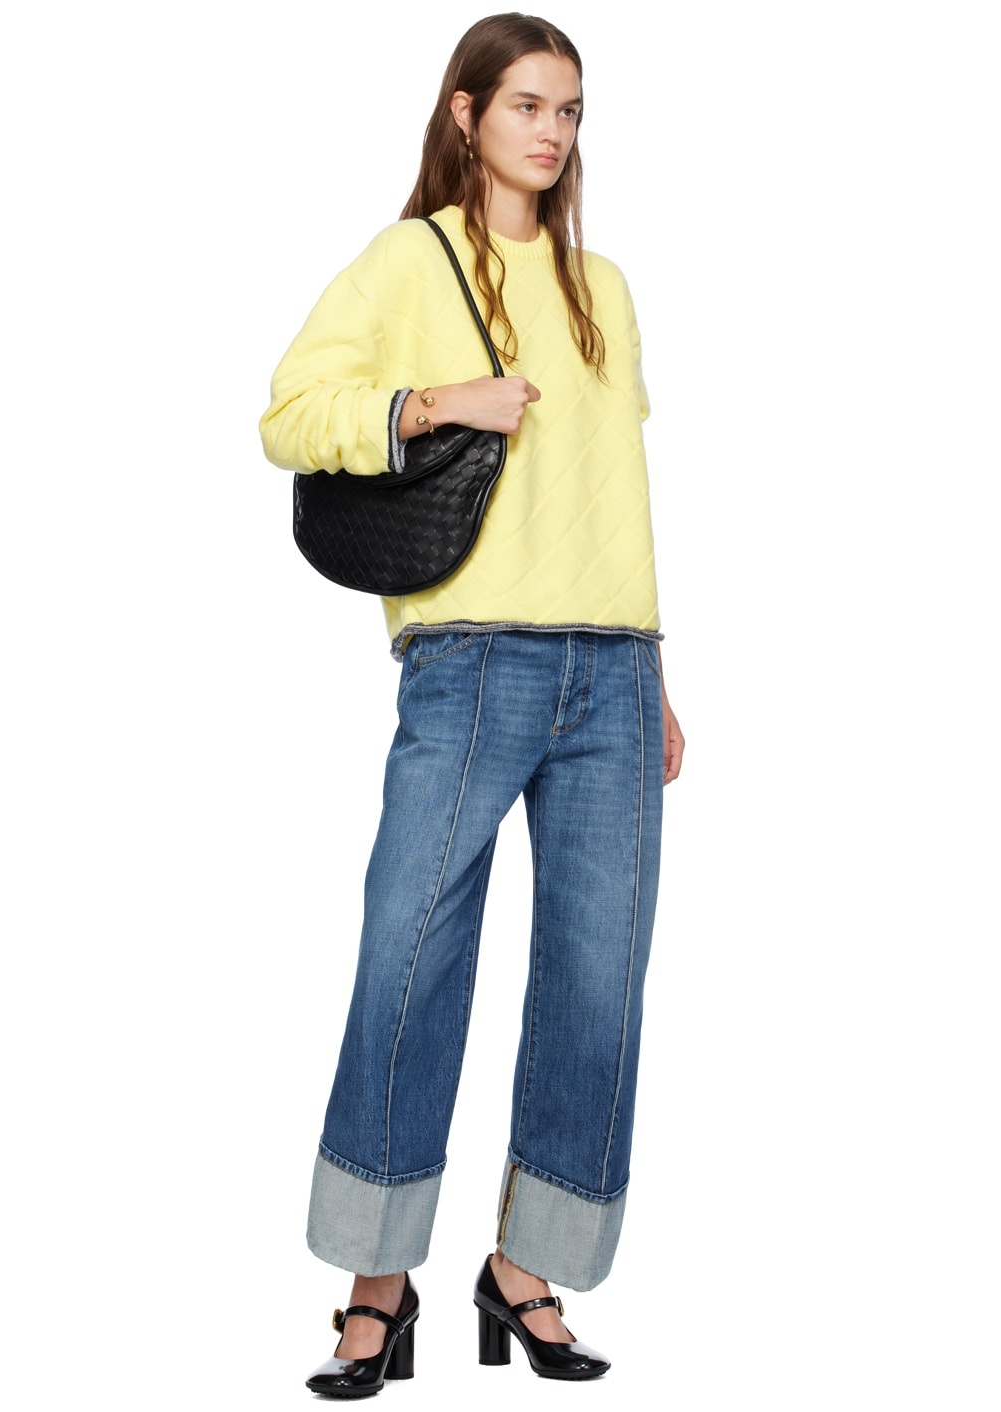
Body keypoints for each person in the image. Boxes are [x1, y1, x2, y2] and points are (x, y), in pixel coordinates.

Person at [259, 12, 684, 1395]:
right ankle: (377, 1284)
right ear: (466, 113)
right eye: (528, 106)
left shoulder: (604, 287)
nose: (553, 133)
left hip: (613, 669)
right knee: (409, 957)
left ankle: (525, 1272)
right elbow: (289, 414)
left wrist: (659, 674)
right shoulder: (409, 260)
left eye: (571, 111)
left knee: (599, 975)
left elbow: (619, 493)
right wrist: (435, 402)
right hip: (469, 661)